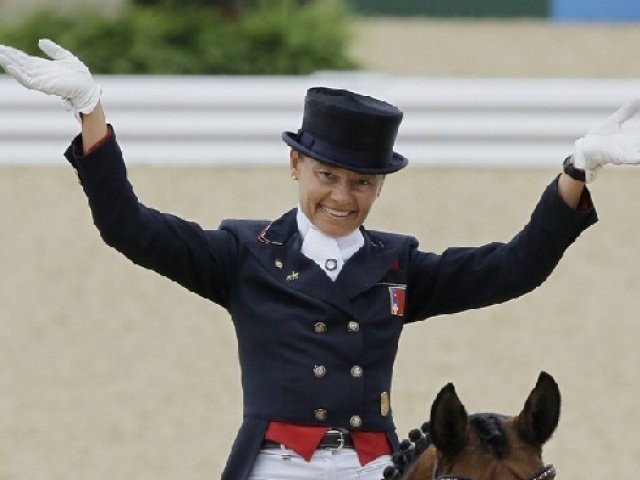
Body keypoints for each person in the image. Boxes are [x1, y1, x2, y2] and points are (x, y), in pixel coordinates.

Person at [0, 39, 639, 480]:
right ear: (295, 165)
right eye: (327, 175)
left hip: (372, 466)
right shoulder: (243, 254)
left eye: (361, 182)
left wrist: (576, 170)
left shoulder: (399, 265)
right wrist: (90, 111)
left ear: (380, 186)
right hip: (276, 465)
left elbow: (512, 268)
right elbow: (128, 227)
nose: (342, 196)